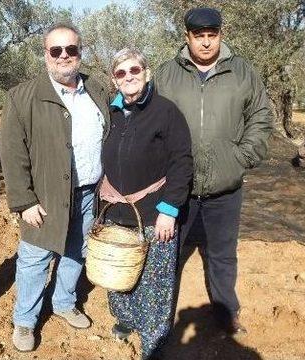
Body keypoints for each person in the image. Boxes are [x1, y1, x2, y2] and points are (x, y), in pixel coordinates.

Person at [154, 7, 273, 336]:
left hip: (226, 186)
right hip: (179, 188)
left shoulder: (243, 72)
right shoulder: (166, 74)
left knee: (222, 254)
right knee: (169, 256)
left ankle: (226, 311)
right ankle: (160, 316)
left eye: (212, 35)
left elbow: (261, 117)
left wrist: (242, 156)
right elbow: (150, 120)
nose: (206, 43)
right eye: (199, 36)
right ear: (187, 37)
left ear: (220, 34)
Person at [0, 23, 110, 352]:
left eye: (71, 50)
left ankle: (63, 302)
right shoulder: (22, 96)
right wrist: (24, 200)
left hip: (89, 191)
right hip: (44, 196)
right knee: (35, 257)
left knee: (77, 250)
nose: (64, 57)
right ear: (45, 54)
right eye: (56, 50)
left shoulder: (97, 89)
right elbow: (12, 152)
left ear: (80, 52)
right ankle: (25, 320)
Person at [100, 48, 193, 359]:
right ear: (114, 79)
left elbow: (182, 162)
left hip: (155, 212)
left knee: (155, 282)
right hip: (117, 211)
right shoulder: (111, 112)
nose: (129, 77)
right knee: (120, 271)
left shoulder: (166, 112)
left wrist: (169, 210)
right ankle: (126, 320)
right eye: (121, 73)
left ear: (146, 72)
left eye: (134, 70)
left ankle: (153, 339)